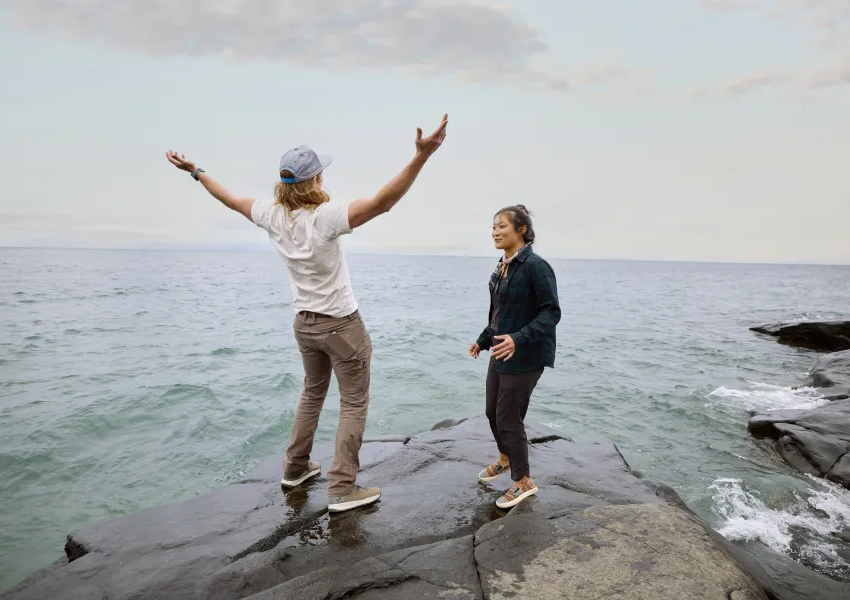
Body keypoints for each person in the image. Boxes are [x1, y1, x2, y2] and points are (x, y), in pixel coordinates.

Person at [165, 114, 448, 513]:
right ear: (315, 181)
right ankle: (342, 489)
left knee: (312, 392)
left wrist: (196, 171)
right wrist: (421, 157)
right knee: (353, 403)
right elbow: (383, 203)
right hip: (341, 325)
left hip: (305, 325)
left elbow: (228, 198)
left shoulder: (271, 215)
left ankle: (295, 467)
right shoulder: (325, 217)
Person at [468, 205, 561, 509]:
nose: (495, 232)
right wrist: (483, 340)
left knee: (508, 417)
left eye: (502, 226)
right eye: (493, 227)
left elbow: (551, 312)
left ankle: (523, 482)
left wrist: (518, 339)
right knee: (492, 412)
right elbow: (499, 313)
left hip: (527, 354)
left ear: (521, 230)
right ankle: (506, 458)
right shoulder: (502, 266)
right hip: (501, 350)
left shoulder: (536, 266)